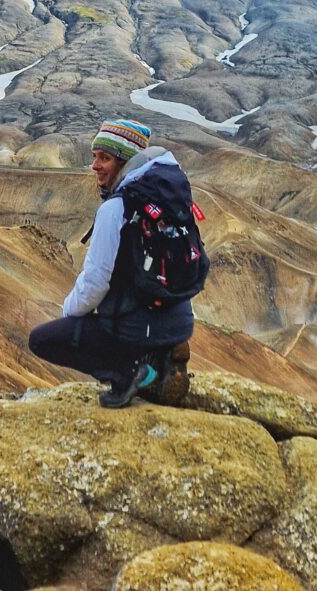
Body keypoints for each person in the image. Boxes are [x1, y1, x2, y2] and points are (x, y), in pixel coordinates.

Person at [28, 119, 196, 408]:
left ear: (125, 162)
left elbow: (96, 280)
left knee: (42, 340)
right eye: (94, 157)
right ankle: (159, 359)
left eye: (104, 158)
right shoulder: (169, 202)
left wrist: (69, 313)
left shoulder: (117, 208)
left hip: (134, 328)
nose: (95, 165)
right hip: (177, 322)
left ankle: (128, 372)